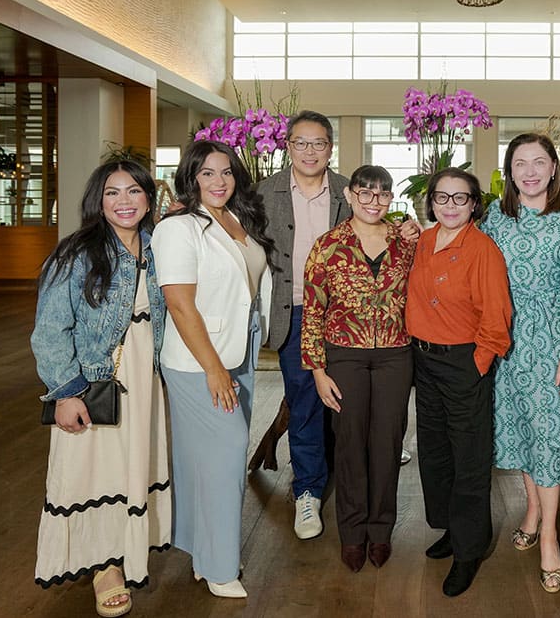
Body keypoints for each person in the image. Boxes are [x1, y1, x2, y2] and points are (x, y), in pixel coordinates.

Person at [258, 110, 418, 540]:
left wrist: (408, 230)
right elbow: (234, 228)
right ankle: (309, 491)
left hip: (352, 321)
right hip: (295, 311)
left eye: (319, 143)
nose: (309, 151)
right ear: (288, 146)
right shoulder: (264, 192)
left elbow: (381, 226)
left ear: (330, 148)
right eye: (300, 143)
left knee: (346, 409)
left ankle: (350, 480)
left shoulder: (349, 190)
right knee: (305, 404)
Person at [32, 160, 169, 618]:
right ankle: (105, 567)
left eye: (134, 191)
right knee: (94, 472)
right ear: (99, 200)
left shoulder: (160, 247)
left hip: (146, 378)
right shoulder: (77, 254)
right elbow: (50, 331)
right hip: (96, 380)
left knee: (132, 467)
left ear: (149, 197)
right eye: (113, 192)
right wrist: (66, 392)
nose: (124, 201)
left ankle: (128, 550)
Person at [152, 139, 274, 599]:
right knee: (228, 453)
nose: (219, 181)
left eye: (226, 172)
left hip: (240, 347)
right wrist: (213, 368)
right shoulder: (177, 228)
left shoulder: (236, 218)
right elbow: (180, 305)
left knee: (202, 459)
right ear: (191, 177)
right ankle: (221, 567)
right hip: (200, 360)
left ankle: (203, 550)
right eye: (207, 173)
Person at [481, 134, 560, 594]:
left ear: (553, 168)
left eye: (539, 162)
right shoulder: (496, 216)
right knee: (522, 432)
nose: (529, 172)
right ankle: (532, 510)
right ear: (510, 172)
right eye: (520, 164)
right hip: (505, 343)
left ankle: (549, 536)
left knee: (548, 438)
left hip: (552, 343)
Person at [301, 165, 416, 572]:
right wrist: (318, 371)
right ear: (349, 195)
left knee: (387, 443)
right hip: (344, 355)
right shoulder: (327, 246)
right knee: (349, 443)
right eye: (365, 193)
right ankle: (352, 532)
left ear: (390, 199)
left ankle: (380, 529)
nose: (373, 201)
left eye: (382, 194)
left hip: (395, 355)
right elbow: (312, 310)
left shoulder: (405, 243)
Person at [406, 168, 512, 597]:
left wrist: (478, 364)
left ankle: (469, 551)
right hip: (423, 361)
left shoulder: (483, 249)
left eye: (460, 198)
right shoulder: (424, 241)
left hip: (463, 362)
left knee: (469, 457)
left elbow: (498, 315)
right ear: (431, 202)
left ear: (474, 204)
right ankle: (451, 528)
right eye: (442, 197)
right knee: (435, 452)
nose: (450, 206)